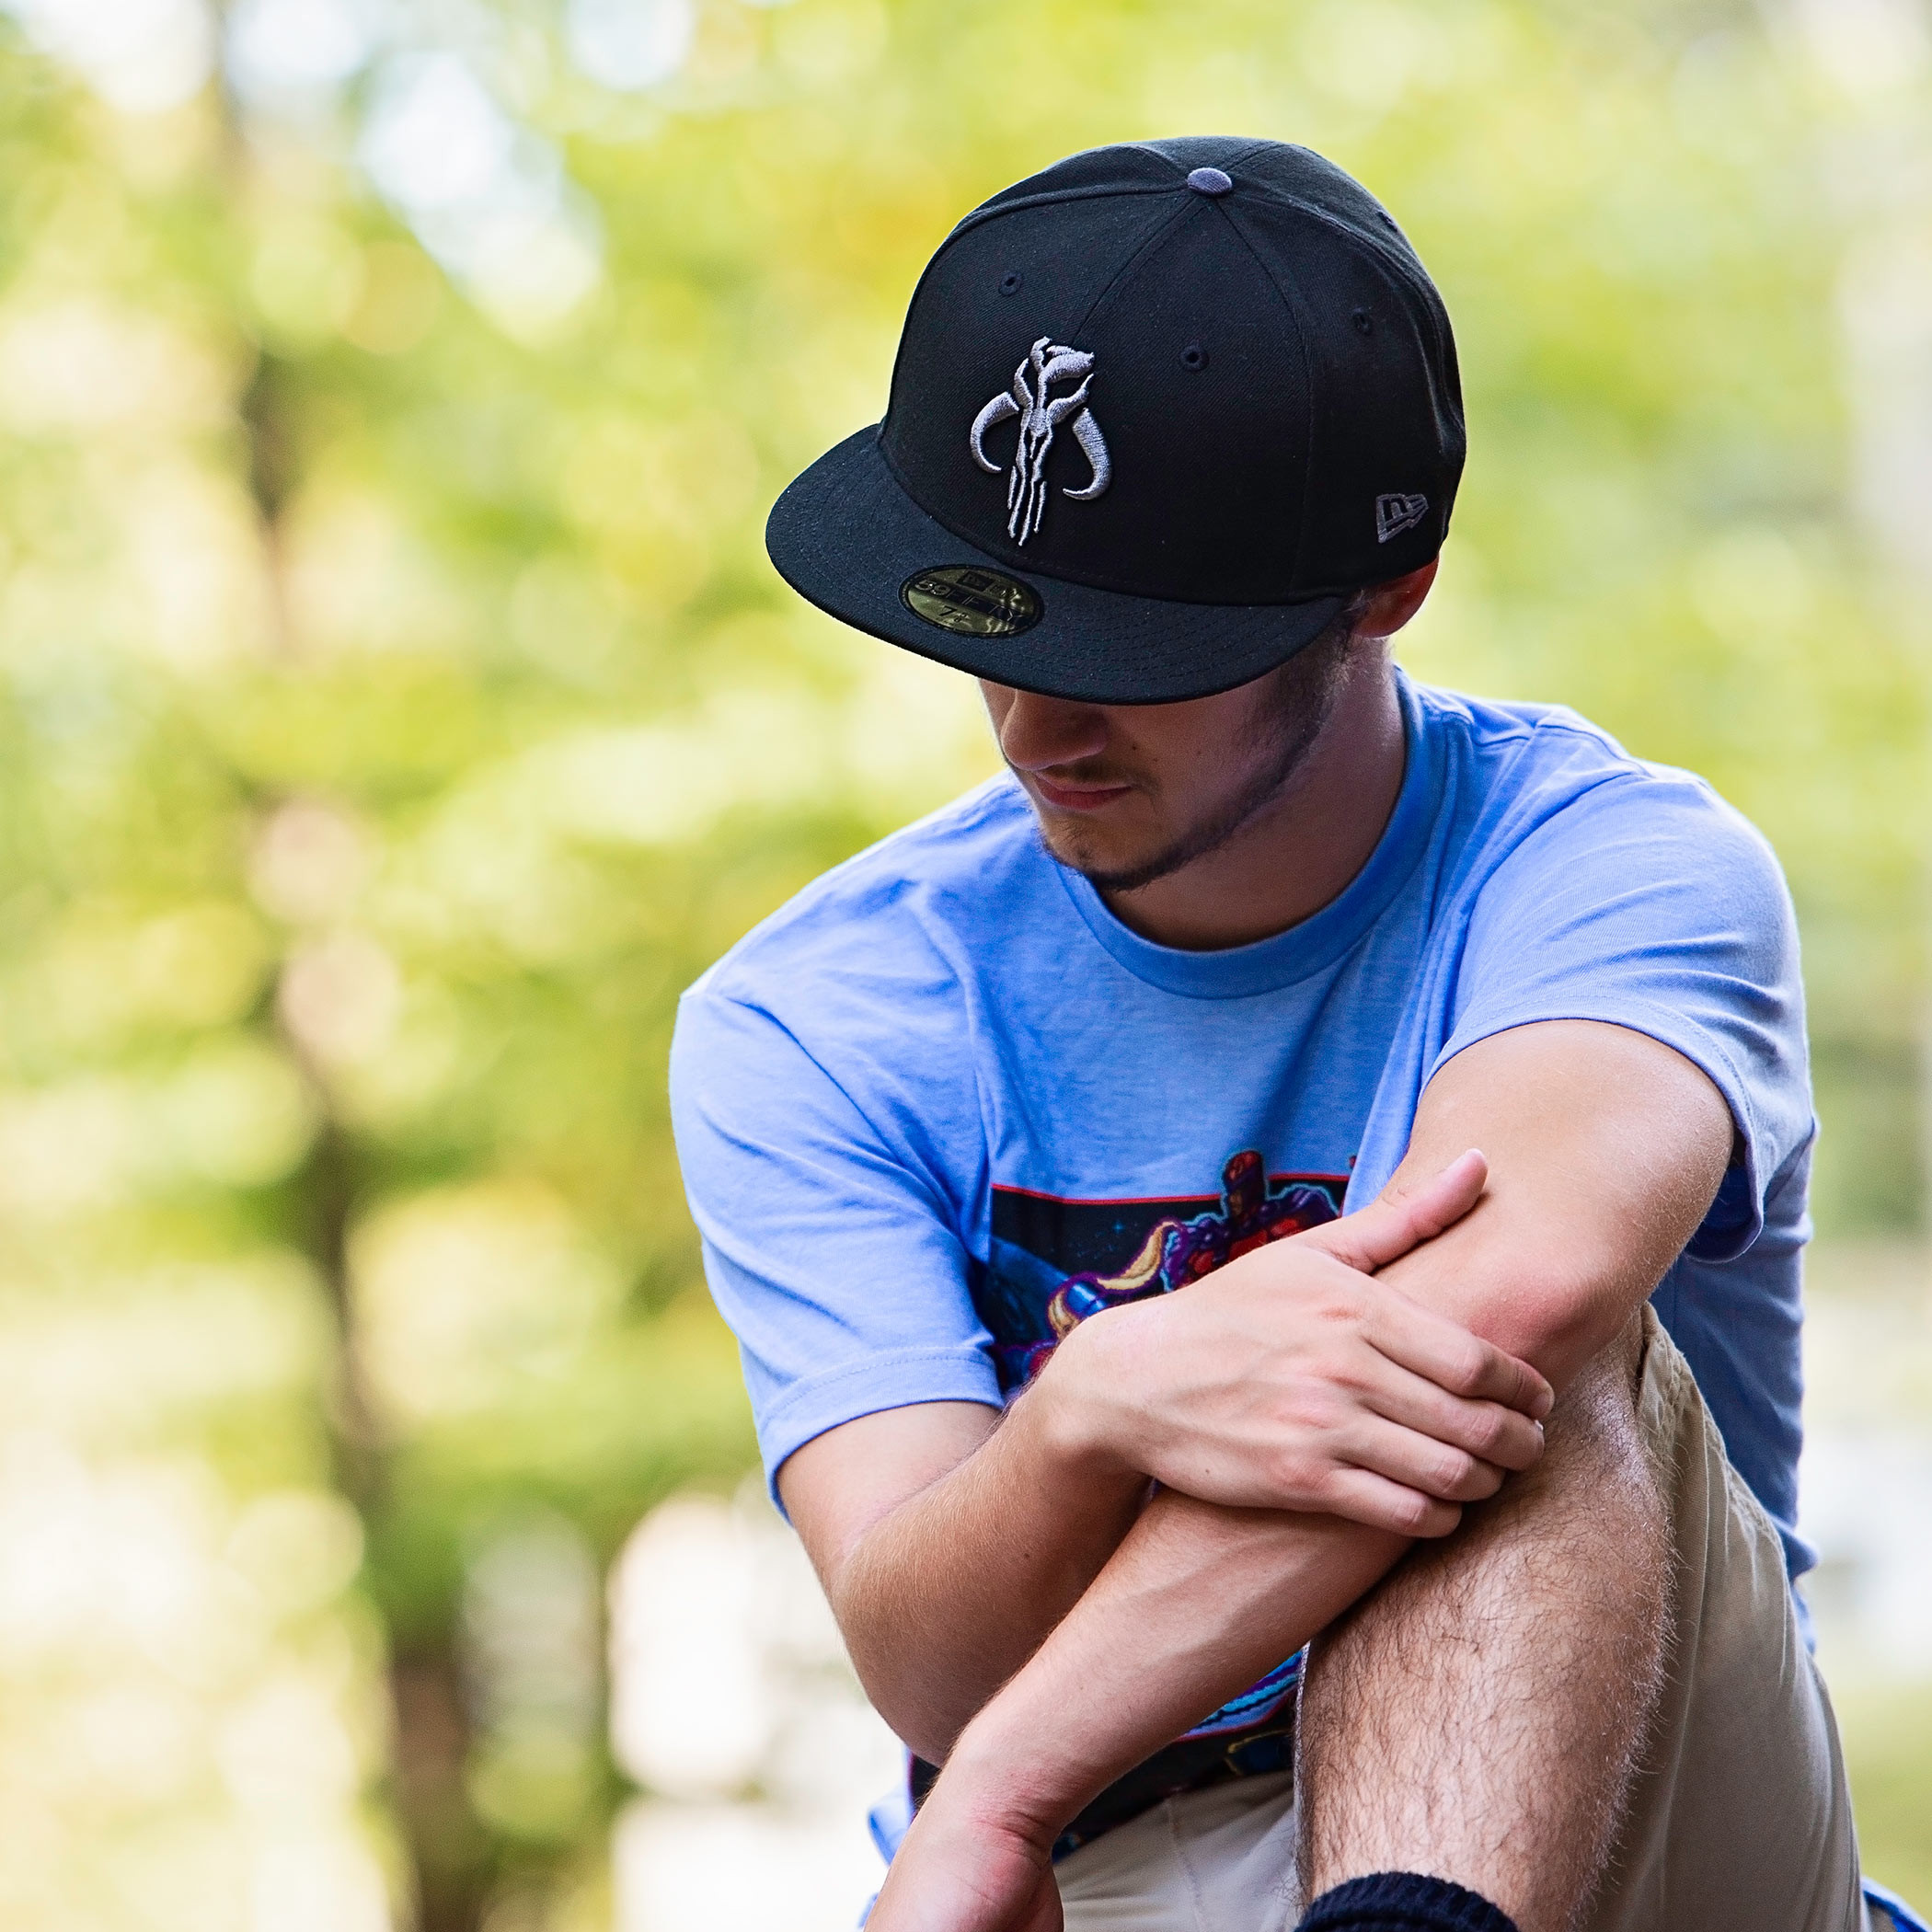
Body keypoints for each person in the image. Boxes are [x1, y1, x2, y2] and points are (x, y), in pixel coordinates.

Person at [669, 138, 1914, 1932]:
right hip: (1103, 1864)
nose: (1037, 721)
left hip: (1633, 1792)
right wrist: (1091, 1407)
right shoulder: (814, 1017)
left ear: (1379, 592)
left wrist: (1005, 1784)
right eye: (989, 624)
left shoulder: (1614, 867)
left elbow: (1511, 1318)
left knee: (1519, 1365)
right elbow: (929, 1670)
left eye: (1137, 645)